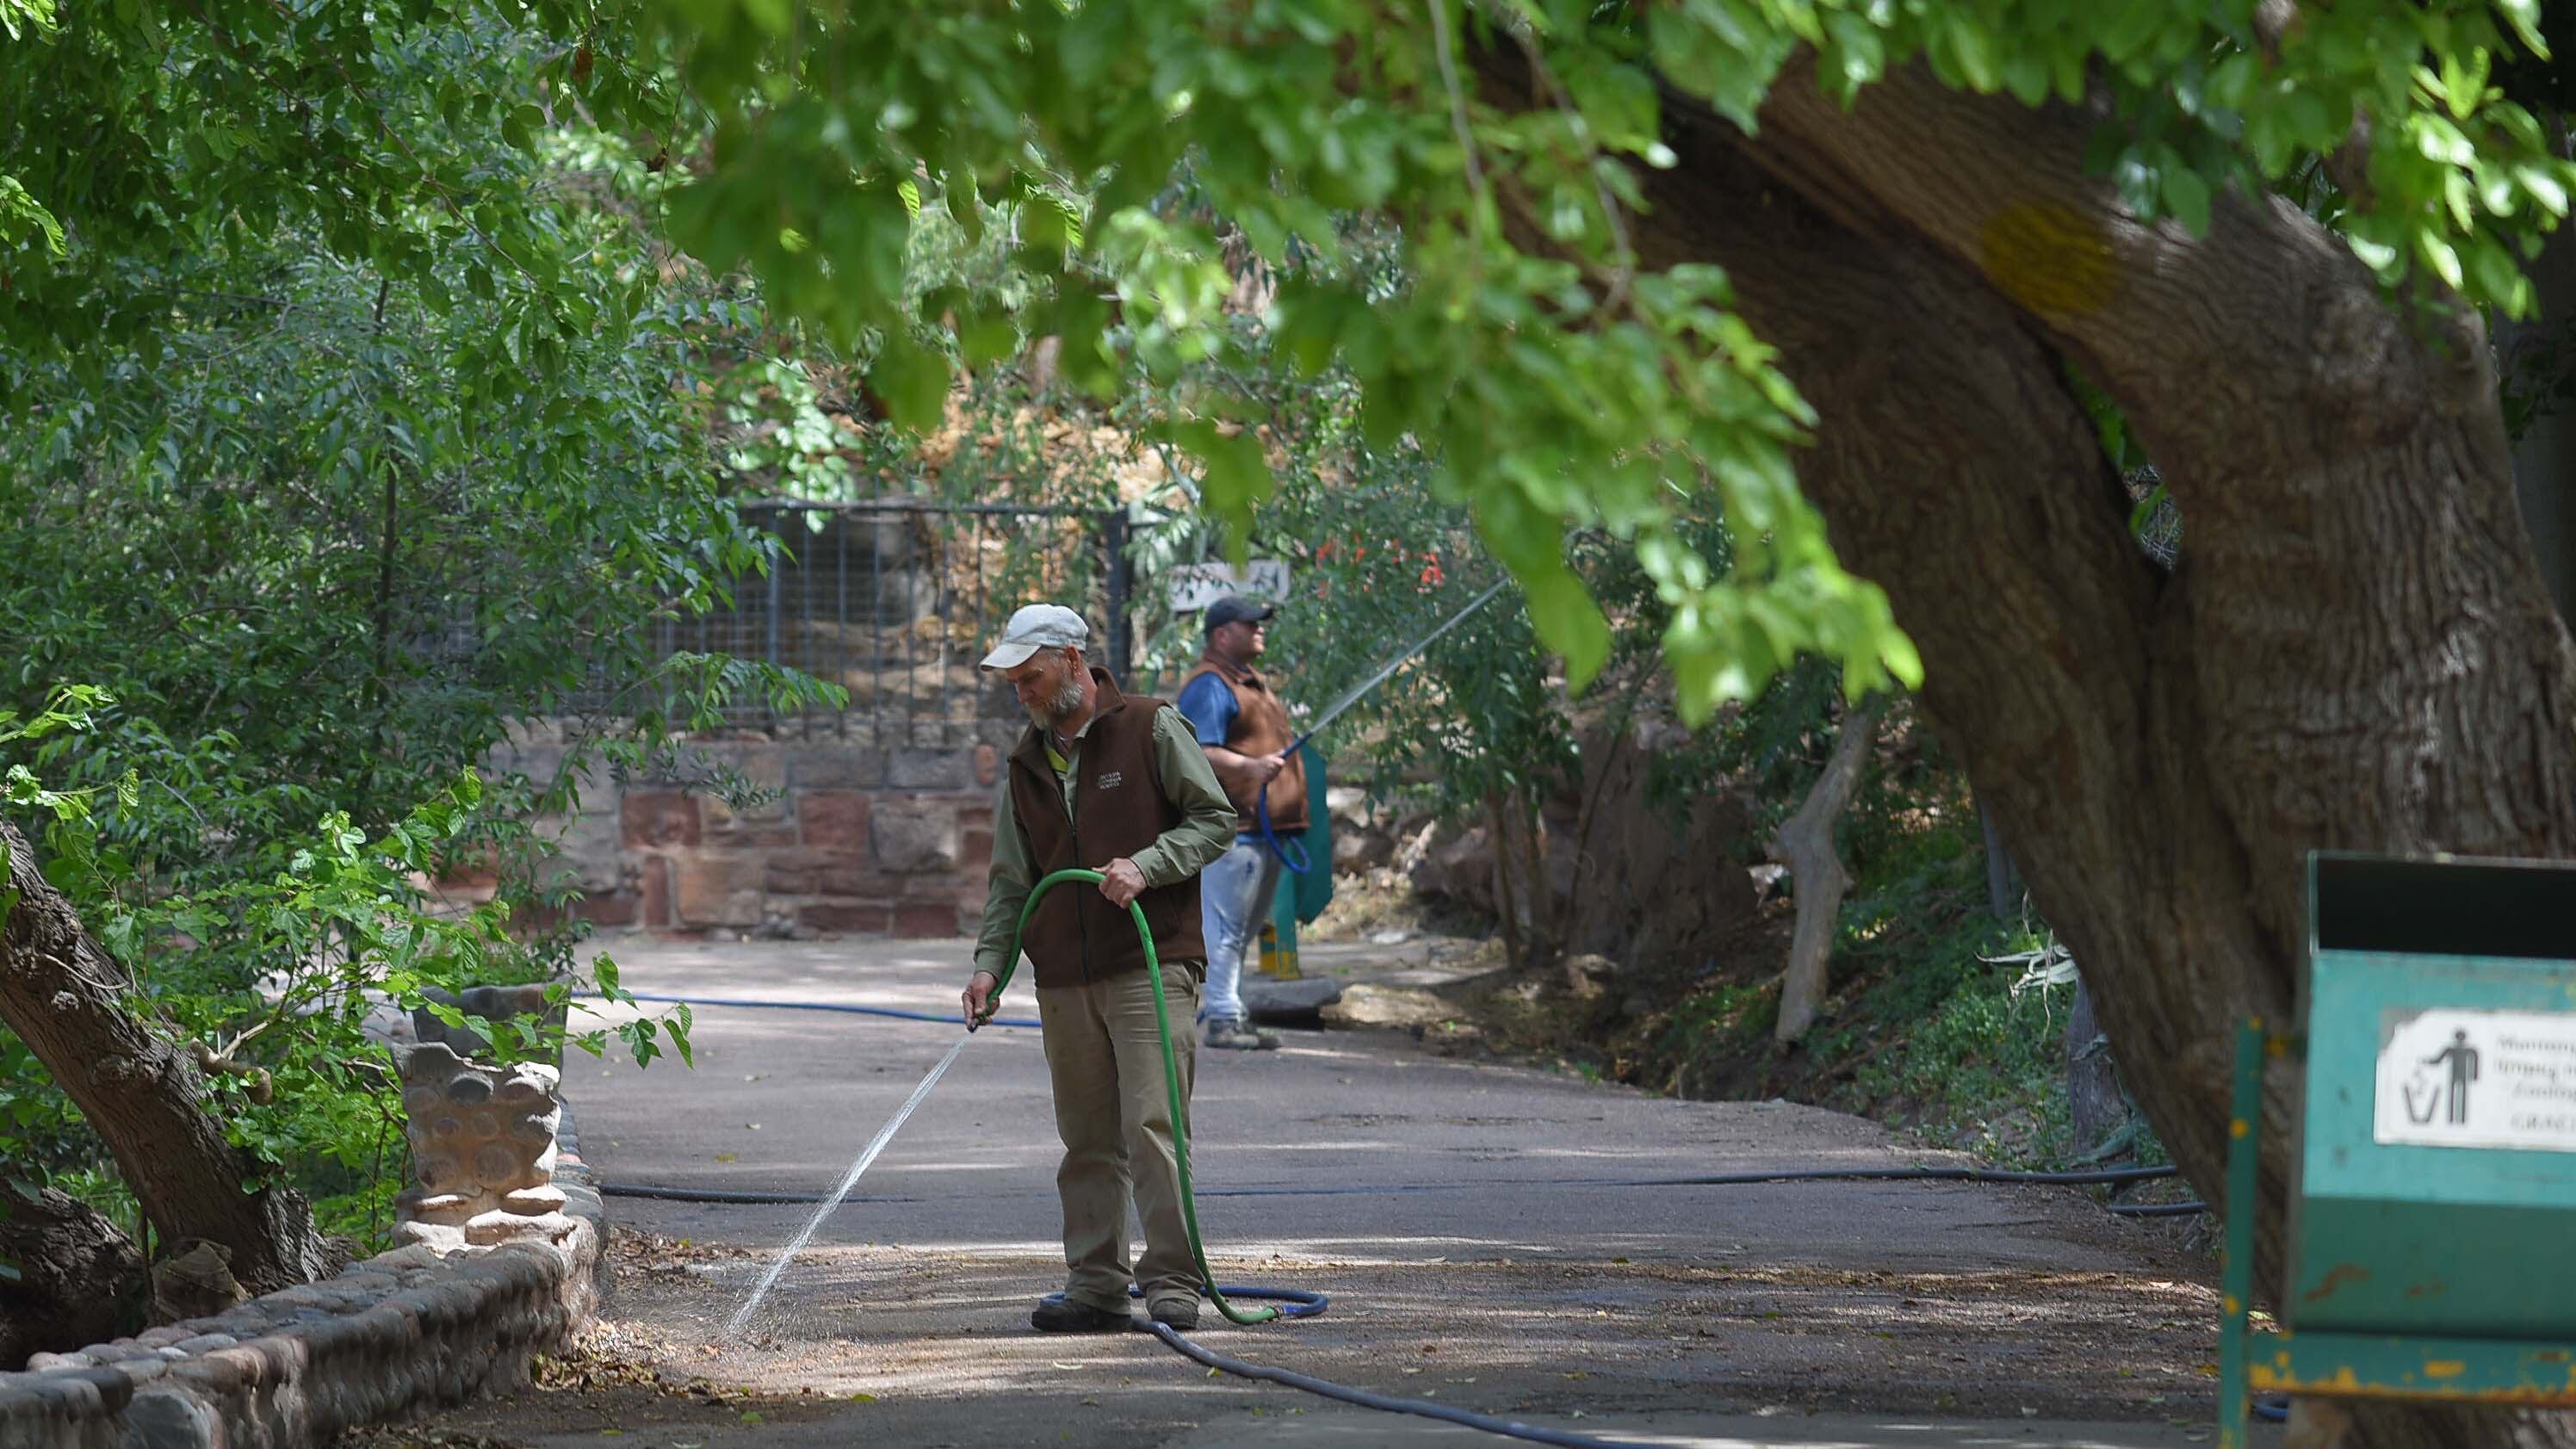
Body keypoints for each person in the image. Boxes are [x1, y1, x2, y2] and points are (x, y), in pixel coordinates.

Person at [958, 603, 1239, 1333]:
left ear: (1074, 660)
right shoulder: (1025, 763)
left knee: (1152, 1127)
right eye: (1013, 680)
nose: (1021, 690)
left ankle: (1174, 1281)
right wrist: (991, 965)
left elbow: (1215, 820)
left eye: (1032, 674)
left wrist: (1147, 865)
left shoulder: (1151, 725)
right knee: (1086, 1138)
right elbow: (1012, 881)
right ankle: (1096, 1283)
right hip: (1065, 977)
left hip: (1150, 962)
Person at [1175, 594, 1303, 1051]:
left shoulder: (1249, 683)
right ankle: (1225, 1018)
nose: (1259, 630)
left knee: (1243, 928)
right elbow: (1196, 750)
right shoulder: (1211, 686)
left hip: (1262, 827)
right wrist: (1249, 768)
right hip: (1233, 828)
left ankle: (1232, 1009)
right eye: (1250, 625)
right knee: (1227, 927)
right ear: (1221, 634)